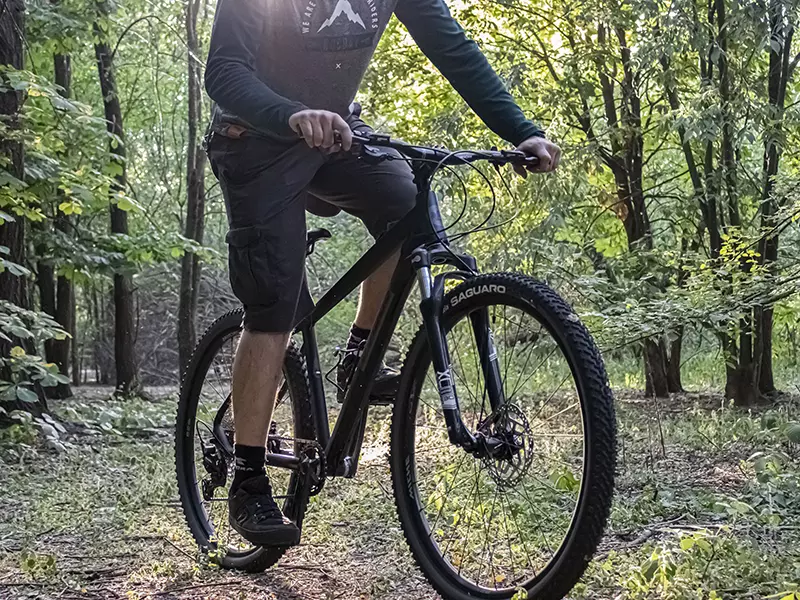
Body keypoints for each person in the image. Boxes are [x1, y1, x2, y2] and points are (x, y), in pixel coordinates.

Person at [203, 0, 562, 548]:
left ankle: (358, 356)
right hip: (253, 138)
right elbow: (224, 72)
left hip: (337, 131)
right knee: (274, 301)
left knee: (409, 209)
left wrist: (521, 130)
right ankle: (248, 477)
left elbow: (454, 49)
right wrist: (292, 114)